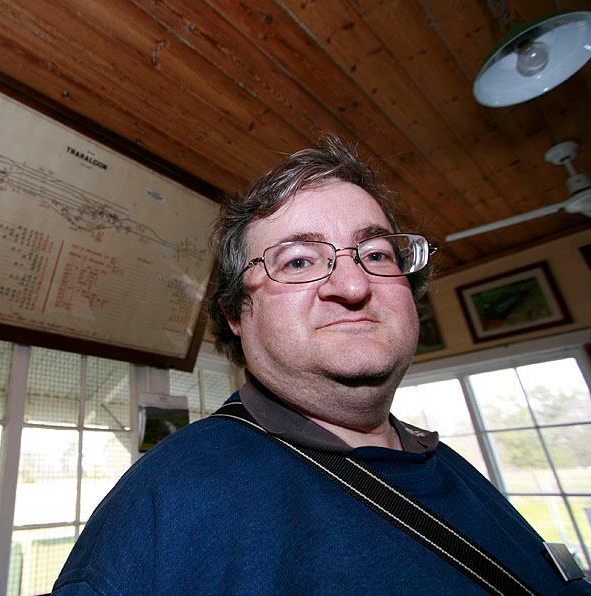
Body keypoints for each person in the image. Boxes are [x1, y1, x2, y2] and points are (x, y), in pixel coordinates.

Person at [52, 136, 591, 594]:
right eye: (299, 261)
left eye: (376, 254)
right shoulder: (171, 499)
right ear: (237, 313)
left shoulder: (442, 462)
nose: (353, 285)